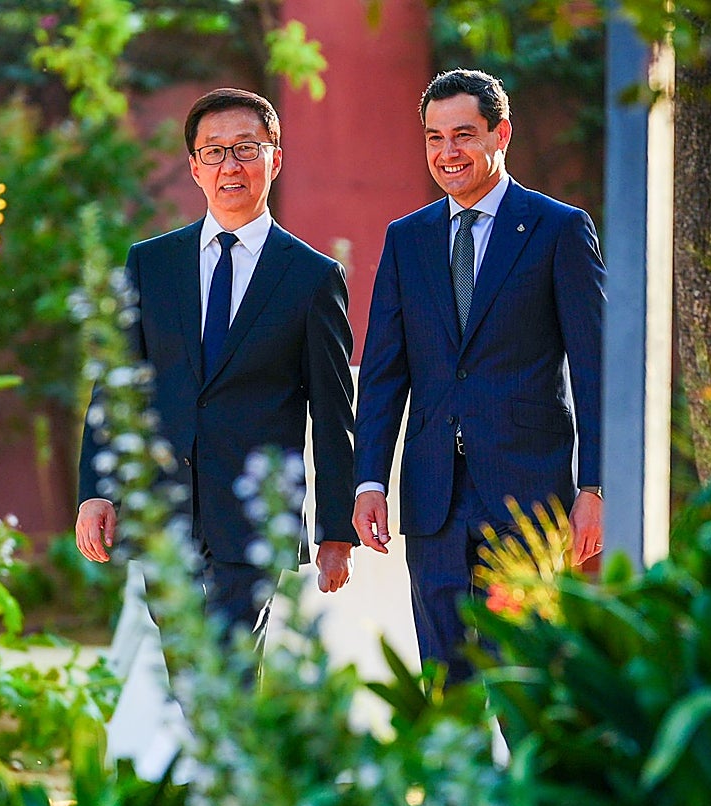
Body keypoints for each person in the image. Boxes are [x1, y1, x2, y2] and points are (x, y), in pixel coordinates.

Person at [76, 88, 357, 649]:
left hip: (255, 512)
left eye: (246, 149)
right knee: (184, 661)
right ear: (194, 168)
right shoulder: (150, 264)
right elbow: (118, 384)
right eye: (214, 152)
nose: (231, 166)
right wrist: (96, 490)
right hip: (164, 506)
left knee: (229, 658)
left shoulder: (311, 277)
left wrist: (334, 530)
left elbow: (332, 410)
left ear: (275, 159)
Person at [352, 69, 606, 684]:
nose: (448, 153)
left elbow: (597, 367)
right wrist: (368, 481)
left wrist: (596, 487)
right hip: (435, 497)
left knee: (526, 681)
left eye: (463, 135)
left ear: (502, 134)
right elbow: (385, 372)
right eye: (435, 138)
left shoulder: (558, 230)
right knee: (446, 688)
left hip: (529, 494)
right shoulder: (406, 239)